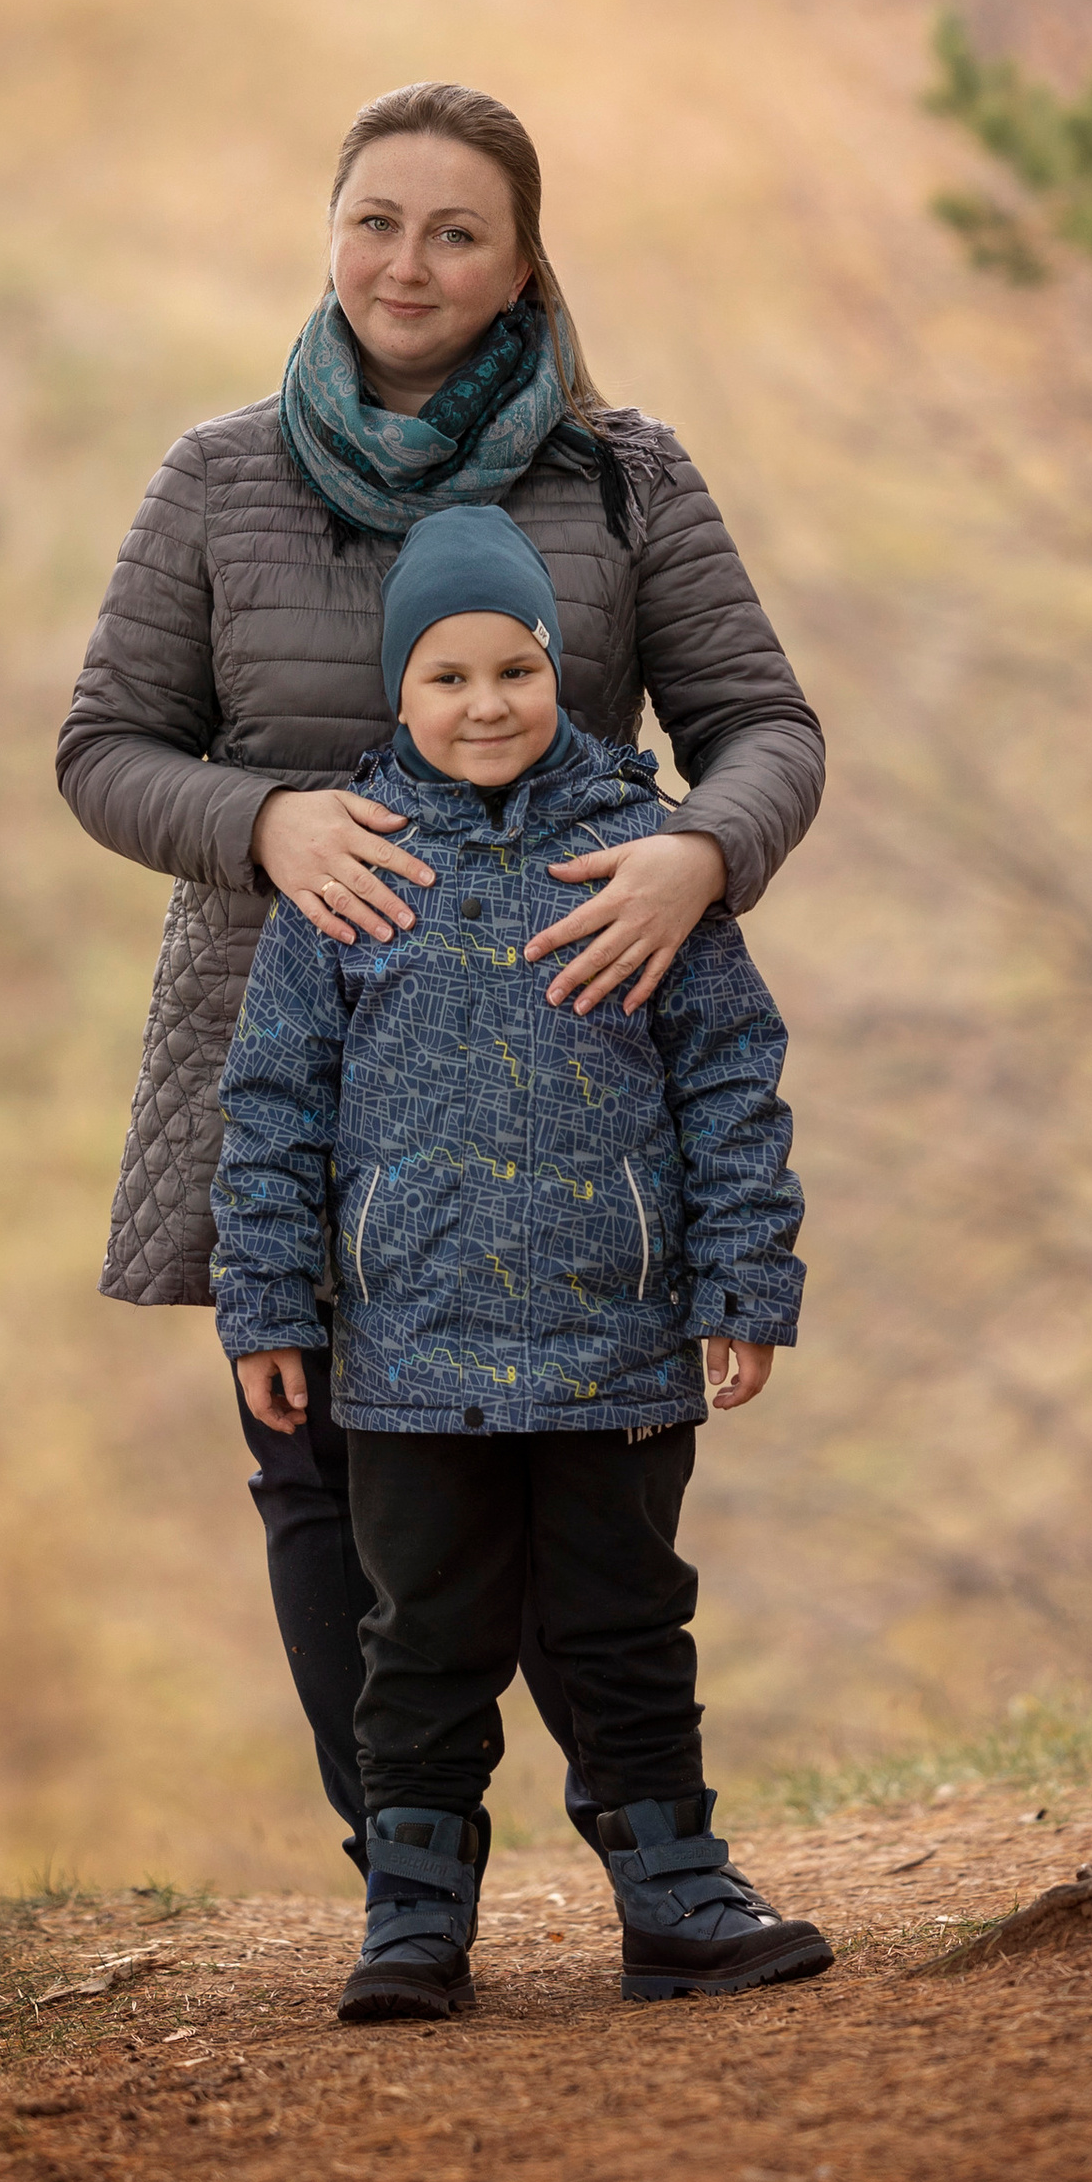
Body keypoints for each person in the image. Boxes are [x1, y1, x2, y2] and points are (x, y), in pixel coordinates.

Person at [55, 82, 824, 1861]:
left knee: (577, 1474)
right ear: (329, 234)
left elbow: (764, 726)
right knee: (327, 1470)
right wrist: (265, 825)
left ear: (524, 260)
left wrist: (700, 853)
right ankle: (409, 1873)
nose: (407, 262)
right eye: (375, 220)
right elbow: (104, 748)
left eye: (454, 229)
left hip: (580, 1067)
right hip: (298, 1046)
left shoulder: (626, 479)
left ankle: (643, 1855)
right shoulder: (218, 476)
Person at [213, 502, 830, 2021]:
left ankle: (678, 1894)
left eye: (515, 671)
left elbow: (729, 1077)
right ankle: (413, 1919)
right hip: (406, 1356)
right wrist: (270, 1305)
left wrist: (743, 1286)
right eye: (446, 678)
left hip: (610, 1340)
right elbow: (274, 1106)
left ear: (561, 669)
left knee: (627, 1622)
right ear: (397, 691)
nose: (484, 705)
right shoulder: (349, 870)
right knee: (420, 1638)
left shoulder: (643, 854)